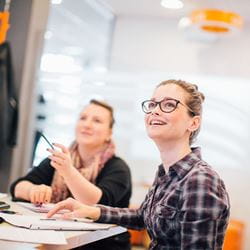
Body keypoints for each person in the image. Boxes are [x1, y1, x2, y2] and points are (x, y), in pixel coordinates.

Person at [47, 80, 230, 249]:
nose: (154, 111)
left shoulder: (199, 180)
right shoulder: (166, 174)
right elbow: (142, 217)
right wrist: (90, 211)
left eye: (168, 105)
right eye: (152, 104)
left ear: (193, 122)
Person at [10, 99, 132, 250]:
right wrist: (32, 190)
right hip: (59, 240)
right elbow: (18, 186)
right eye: (83, 118)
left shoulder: (119, 168)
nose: (87, 124)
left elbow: (97, 204)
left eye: (97, 120)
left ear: (109, 133)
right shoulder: (60, 160)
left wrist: (68, 172)